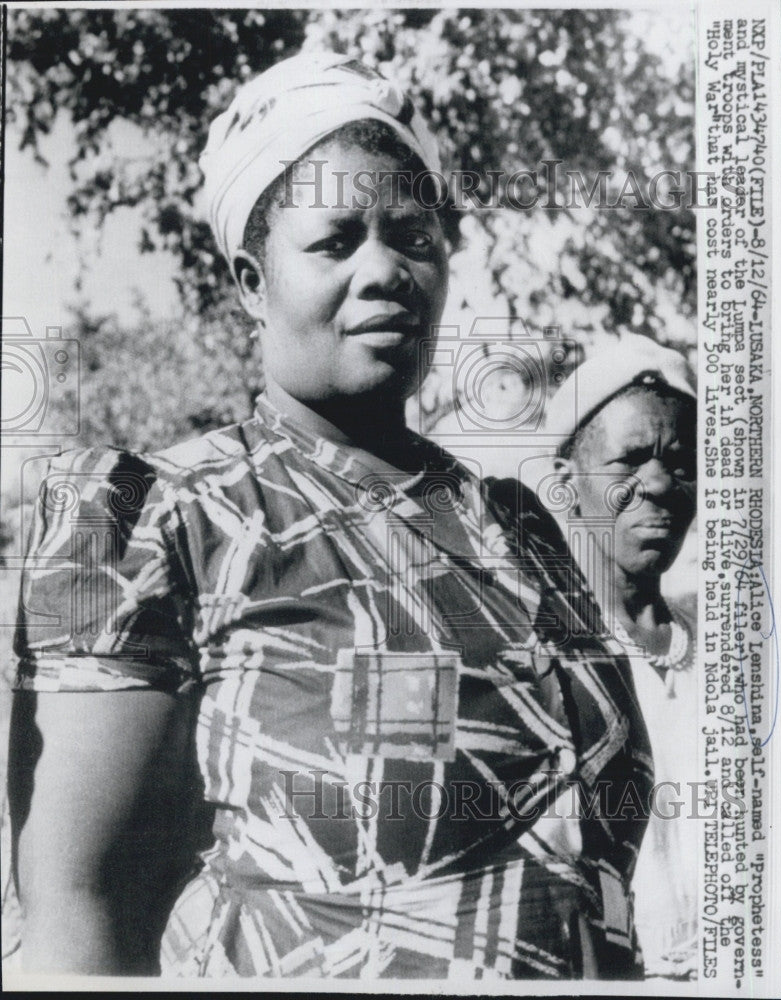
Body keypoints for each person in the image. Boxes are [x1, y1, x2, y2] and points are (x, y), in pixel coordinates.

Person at [9, 52, 653, 980]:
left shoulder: (517, 526)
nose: (385, 268)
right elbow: (79, 907)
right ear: (248, 281)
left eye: (413, 236)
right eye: (335, 240)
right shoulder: (151, 520)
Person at [546, 335, 698, 979]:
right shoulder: (544, 656)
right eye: (629, 461)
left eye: (682, 461)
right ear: (566, 485)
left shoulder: (734, 650)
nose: (660, 484)